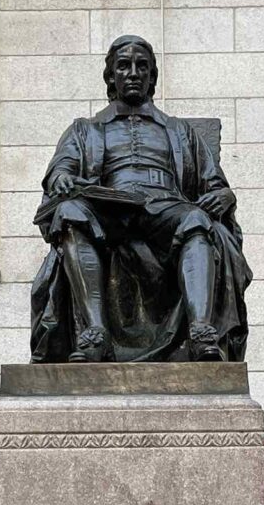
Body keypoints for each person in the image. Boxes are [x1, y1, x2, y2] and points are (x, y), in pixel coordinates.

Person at [30, 34, 251, 364]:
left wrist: (225, 195)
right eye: (123, 66)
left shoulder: (179, 130)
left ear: (152, 76)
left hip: (165, 207)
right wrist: (60, 177)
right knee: (70, 211)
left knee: (196, 219)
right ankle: (95, 334)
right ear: (111, 76)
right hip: (109, 208)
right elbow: (62, 168)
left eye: (141, 66)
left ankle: (201, 332)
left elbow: (215, 183)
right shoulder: (85, 129)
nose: (133, 73)